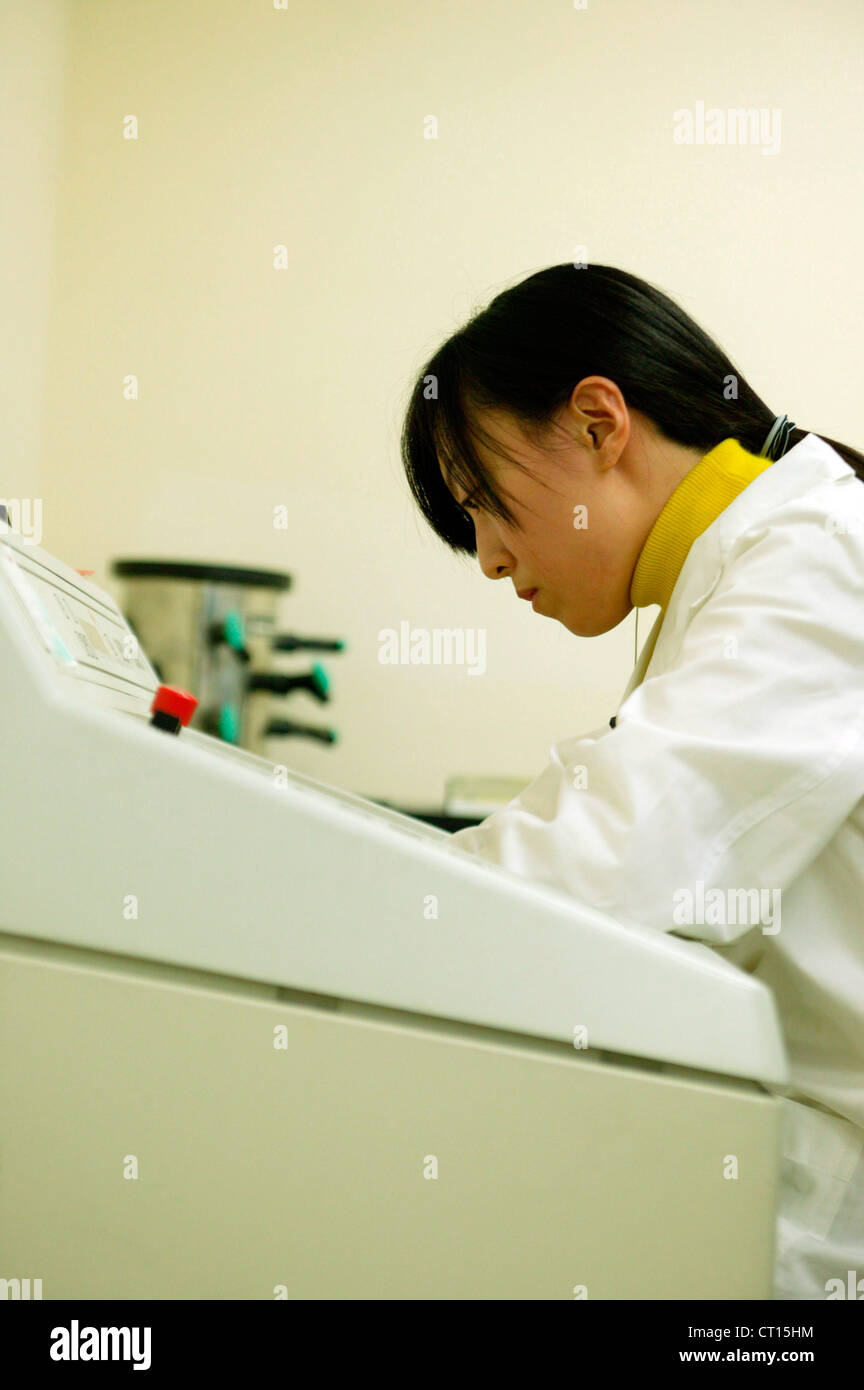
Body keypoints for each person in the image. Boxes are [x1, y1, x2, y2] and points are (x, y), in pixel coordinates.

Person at [400, 262, 864, 1300]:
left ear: (599, 422)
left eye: (481, 502)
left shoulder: (819, 560)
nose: (483, 557)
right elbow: (602, 803)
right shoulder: (749, 568)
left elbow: (613, 868)